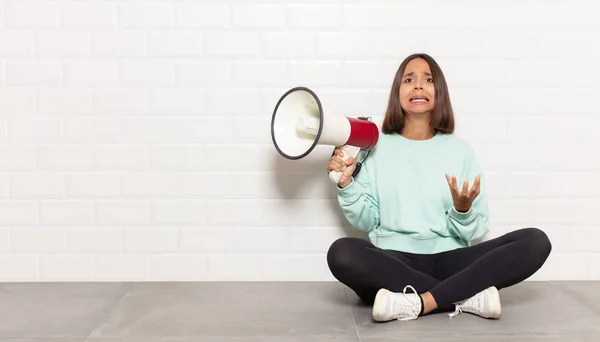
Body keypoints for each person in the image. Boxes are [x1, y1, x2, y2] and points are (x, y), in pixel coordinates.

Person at [326, 53, 552, 322]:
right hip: (394, 261)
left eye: (428, 79)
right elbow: (366, 221)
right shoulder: (375, 148)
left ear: (438, 92)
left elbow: (478, 229)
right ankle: (464, 295)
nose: (418, 86)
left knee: (535, 241)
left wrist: (463, 209)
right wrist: (347, 184)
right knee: (342, 252)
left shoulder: (459, 150)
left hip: (452, 259)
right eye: (409, 79)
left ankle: (419, 301)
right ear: (397, 92)